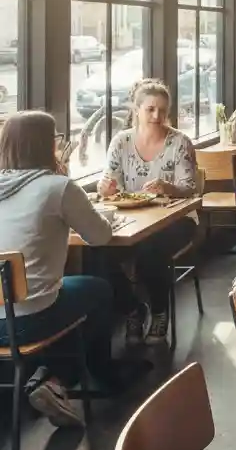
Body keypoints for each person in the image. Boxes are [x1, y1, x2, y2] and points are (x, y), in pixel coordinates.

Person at [0, 112, 115, 426]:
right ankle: (63, 380)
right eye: (56, 139)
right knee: (98, 290)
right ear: (44, 144)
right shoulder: (57, 187)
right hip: (28, 322)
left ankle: (46, 379)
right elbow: (100, 236)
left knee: (62, 291)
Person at [98, 79, 198, 346]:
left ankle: (159, 310)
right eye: (150, 109)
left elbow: (190, 188)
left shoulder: (179, 142)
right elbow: (109, 183)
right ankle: (132, 309)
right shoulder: (121, 142)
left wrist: (168, 186)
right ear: (137, 110)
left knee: (151, 249)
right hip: (130, 221)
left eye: (162, 110)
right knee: (98, 253)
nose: (157, 116)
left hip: (178, 218)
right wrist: (105, 189)